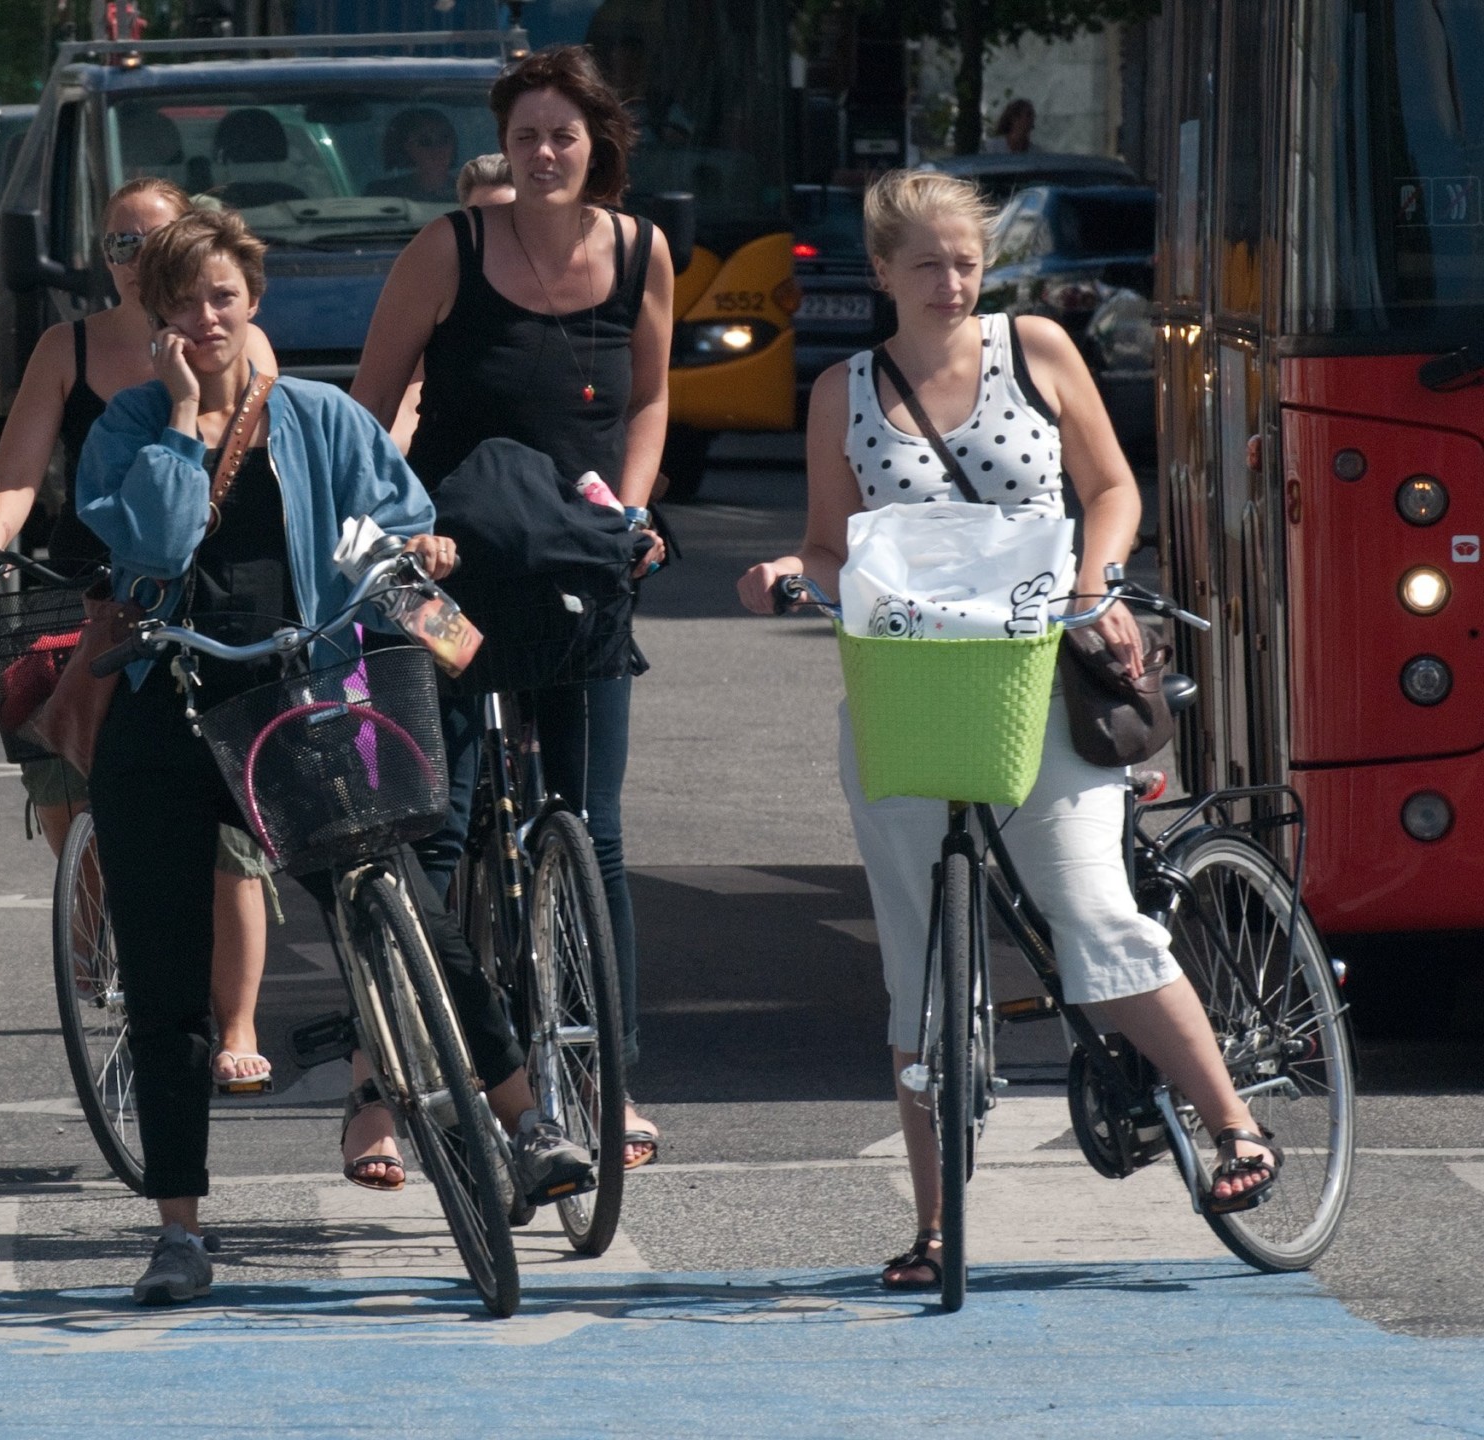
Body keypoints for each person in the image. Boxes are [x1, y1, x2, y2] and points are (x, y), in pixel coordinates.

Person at [734, 169, 1282, 1290]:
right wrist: (792, 572)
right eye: (926, 264)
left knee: (1090, 912)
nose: (950, 283)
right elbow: (830, 545)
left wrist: (1095, 582)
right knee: (917, 970)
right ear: (880, 270)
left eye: (966, 262)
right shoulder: (842, 389)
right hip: (904, 688)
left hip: (1041, 677)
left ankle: (1233, 1126)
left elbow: (1113, 486)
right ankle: (938, 1229)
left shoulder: (1032, 349)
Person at [78, 208, 594, 1305]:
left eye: (222, 296)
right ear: (156, 318)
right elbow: (156, 546)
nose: (207, 318)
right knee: (168, 985)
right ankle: (178, 1228)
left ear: (249, 298)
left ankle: (527, 1125)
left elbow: (393, 518)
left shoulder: (315, 418)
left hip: (297, 705)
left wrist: (421, 542)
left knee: (408, 900)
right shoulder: (129, 427)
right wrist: (180, 417)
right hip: (167, 707)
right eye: (183, 301)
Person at [351, 45, 676, 1173]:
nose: (544, 154)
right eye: (528, 134)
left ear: (598, 150)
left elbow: (652, 395)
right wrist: (394, 538)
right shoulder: (449, 249)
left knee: (597, 831)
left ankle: (607, 1078)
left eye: (564, 137)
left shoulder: (642, 251)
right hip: (446, 581)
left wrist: (632, 510)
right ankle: (380, 1081)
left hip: (581, 568)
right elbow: (369, 408)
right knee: (430, 832)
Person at [0, 177, 284, 1093]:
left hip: (201, 591)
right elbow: (17, 470)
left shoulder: (241, 340)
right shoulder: (69, 345)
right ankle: (101, 931)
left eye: (151, 240)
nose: (134, 260)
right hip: (83, 585)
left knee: (228, 837)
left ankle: (240, 1023)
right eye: (117, 245)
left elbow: (274, 463)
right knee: (65, 792)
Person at [385, 155, 519, 450]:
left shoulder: (578, 296)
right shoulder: (442, 301)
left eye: (505, 219)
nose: (491, 234)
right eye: (478, 220)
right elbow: (407, 406)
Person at [364, 107, 461, 204]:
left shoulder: (470, 193)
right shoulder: (381, 193)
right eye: (425, 141)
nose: (437, 148)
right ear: (406, 148)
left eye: (444, 139)